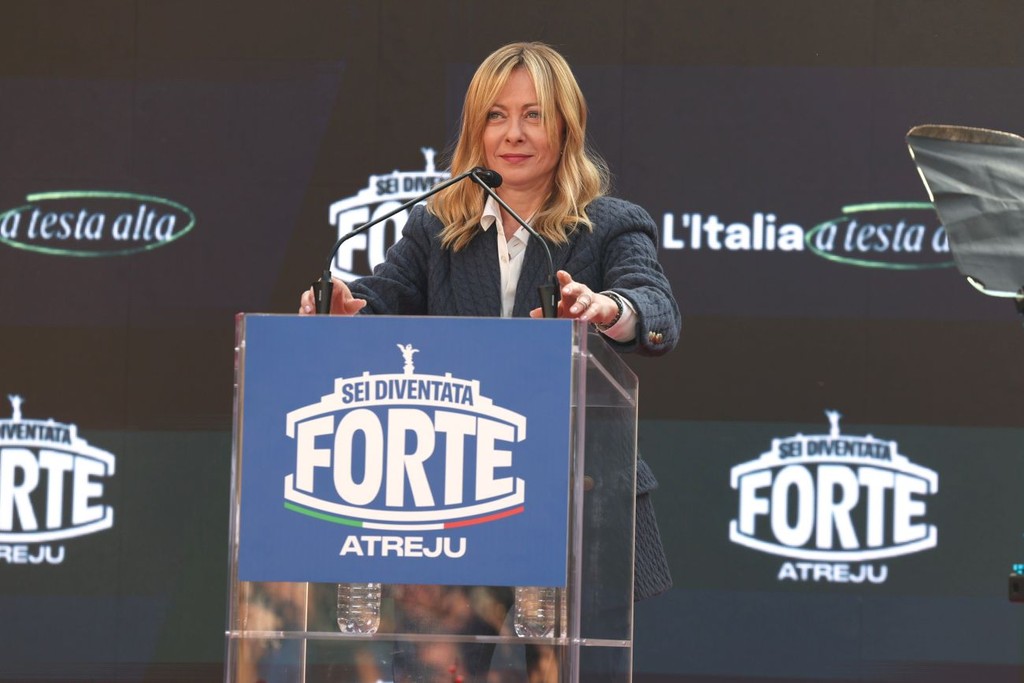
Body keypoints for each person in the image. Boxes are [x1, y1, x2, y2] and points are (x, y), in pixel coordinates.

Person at [300, 39, 679, 676]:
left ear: (567, 126)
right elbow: (384, 297)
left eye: (534, 115)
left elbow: (656, 307)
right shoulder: (436, 228)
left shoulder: (611, 223)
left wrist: (605, 309)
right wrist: (345, 311)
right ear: (476, 129)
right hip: (458, 502)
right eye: (496, 116)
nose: (513, 133)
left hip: (573, 504)